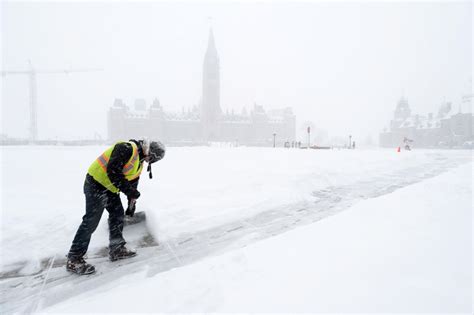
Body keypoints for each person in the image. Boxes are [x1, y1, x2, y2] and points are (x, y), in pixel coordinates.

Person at [66, 139, 165, 275]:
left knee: (117, 214)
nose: (150, 161)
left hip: (110, 188)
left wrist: (131, 204)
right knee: (91, 220)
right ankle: (74, 258)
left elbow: (132, 185)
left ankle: (116, 248)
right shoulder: (126, 148)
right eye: (152, 158)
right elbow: (112, 172)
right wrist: (129, 191)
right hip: (95, 184)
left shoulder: (139, 163)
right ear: (150, 151)